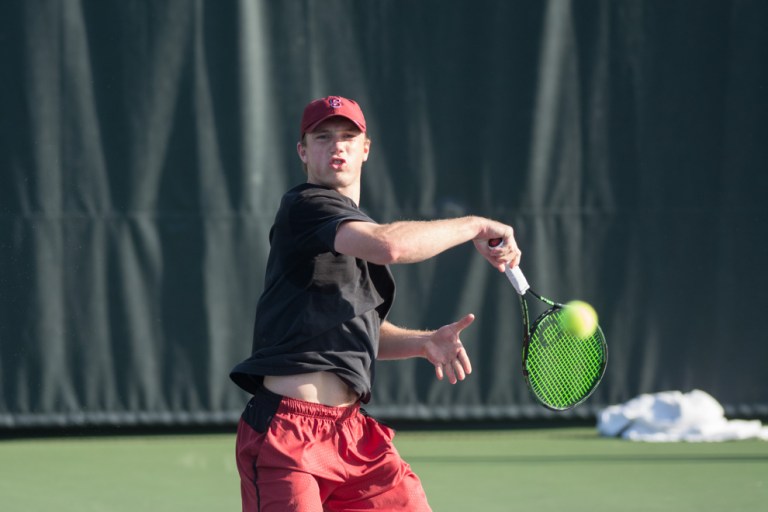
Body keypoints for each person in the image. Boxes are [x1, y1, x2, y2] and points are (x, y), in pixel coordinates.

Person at [230, 95, 521, 511]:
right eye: (323, 137)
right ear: (303, 151)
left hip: (353, 437)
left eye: (349, 137)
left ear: (366, 149)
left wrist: (422, 342)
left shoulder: (349, 231)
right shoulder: (307, 206)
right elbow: (391, 246)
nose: (338, 146)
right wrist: (475, 225)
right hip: (287, 435)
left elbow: (354, 327)